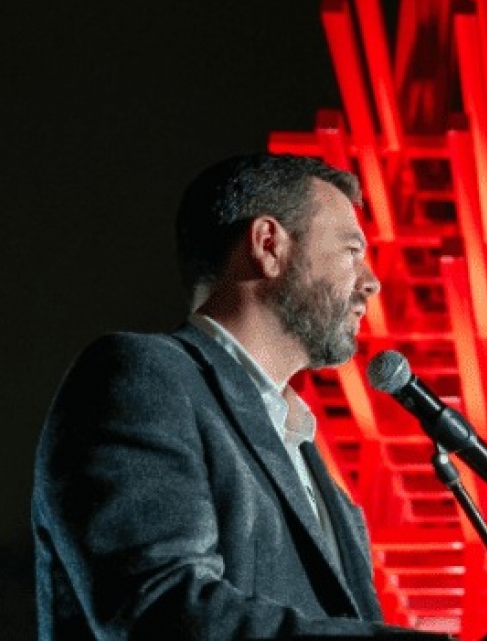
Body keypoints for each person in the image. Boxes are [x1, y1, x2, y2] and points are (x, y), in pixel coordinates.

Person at [32, 154, 451, 640]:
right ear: (268, 244)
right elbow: (162, 609)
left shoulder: (318, 472)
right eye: (352, 250)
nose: (371, 282)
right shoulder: (142, 377)